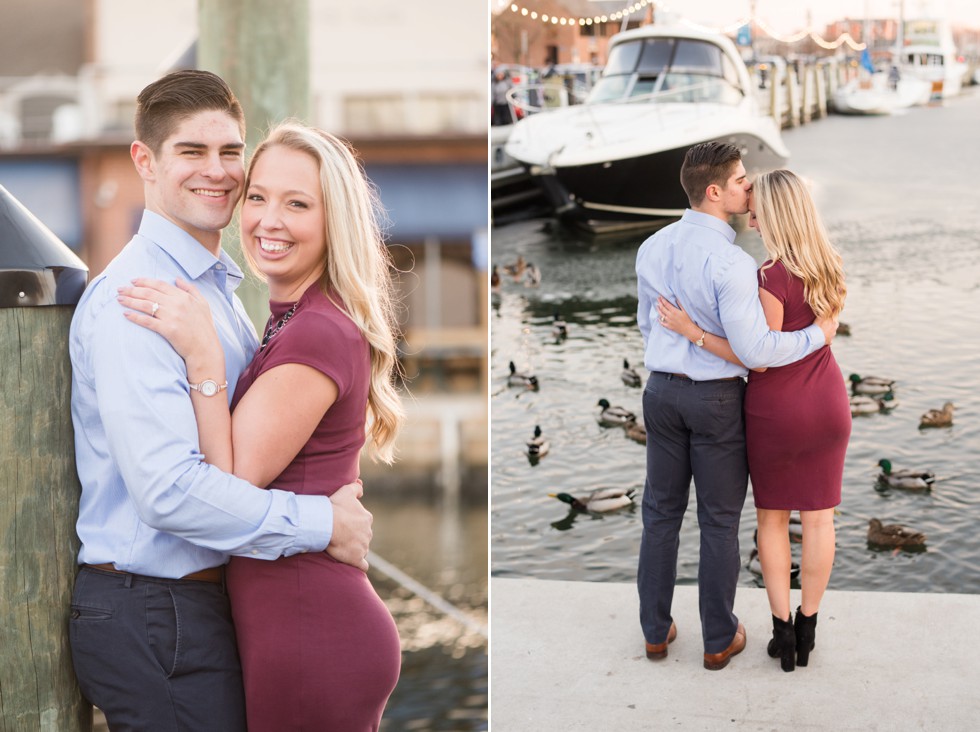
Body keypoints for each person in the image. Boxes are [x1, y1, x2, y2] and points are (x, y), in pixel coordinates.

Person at [68, 70, 372, 731]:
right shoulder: (139, 301)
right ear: (144, 161)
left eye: (231, 152)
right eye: (192, 152)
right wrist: (323, 523)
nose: (219, 172)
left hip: (196, 610)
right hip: (154, 609)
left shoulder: (217, 299)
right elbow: (170, 492)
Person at [634, 141, 838, 671]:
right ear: (715, 191)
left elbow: (645, 324)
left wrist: (681, 341)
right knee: (719, 522)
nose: (750, 188)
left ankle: (655, 633)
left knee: (659, 515)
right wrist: (819, 336)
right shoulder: (734, 263)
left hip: (660, 390)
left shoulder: (652, 246)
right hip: (716, 398)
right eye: (743, 180)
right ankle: (718, 640)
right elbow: (758, 353)